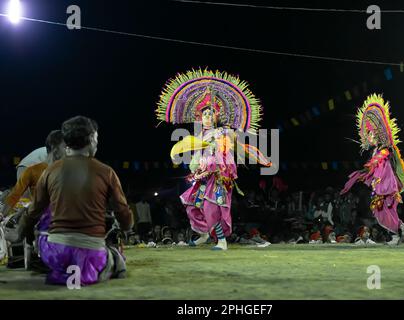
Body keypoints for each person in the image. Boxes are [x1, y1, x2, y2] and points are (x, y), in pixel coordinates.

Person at [156, 69, 271, 250]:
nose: (207, 117)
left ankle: (222, 241)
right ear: (200, 118)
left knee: (212, 208)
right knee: (193, 205)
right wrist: (181, 158)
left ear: (216, 116)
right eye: (204, 114)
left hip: (219, 176)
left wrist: (258, 156)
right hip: (204, 176)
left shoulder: (224, 131)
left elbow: (239, 149)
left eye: (211, 114)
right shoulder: (199, 135)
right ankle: (203, 235)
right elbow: (192, 152)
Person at [19, 116, 133, 285]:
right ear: (92, 138)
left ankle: (65, 271)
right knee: (114, 256)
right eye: (96, 138)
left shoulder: (49, 172)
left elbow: (31, 215)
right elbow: (124, 215)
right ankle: (105, 265)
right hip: (92, 252)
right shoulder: (106, 172)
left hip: (55, 253)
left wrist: (21, 235)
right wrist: (126, 227)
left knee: (45, 235)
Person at [341, 94, 404, 245]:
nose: (369, 136)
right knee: (380, 212)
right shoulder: (377, 149)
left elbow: (382, 158)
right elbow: (375, 163)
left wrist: (371, 164)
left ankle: (398, 234)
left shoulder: (385, 148)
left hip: (388, 186)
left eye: (370, 133)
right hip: (381, 187)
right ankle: (401, 228)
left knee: (384, 211)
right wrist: (367, 171)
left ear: (377, 133)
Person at [0, 130, 65, 218]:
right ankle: (6, 197)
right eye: (66, 147)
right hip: (26, 165)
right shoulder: (35, 168)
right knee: (25, 198)